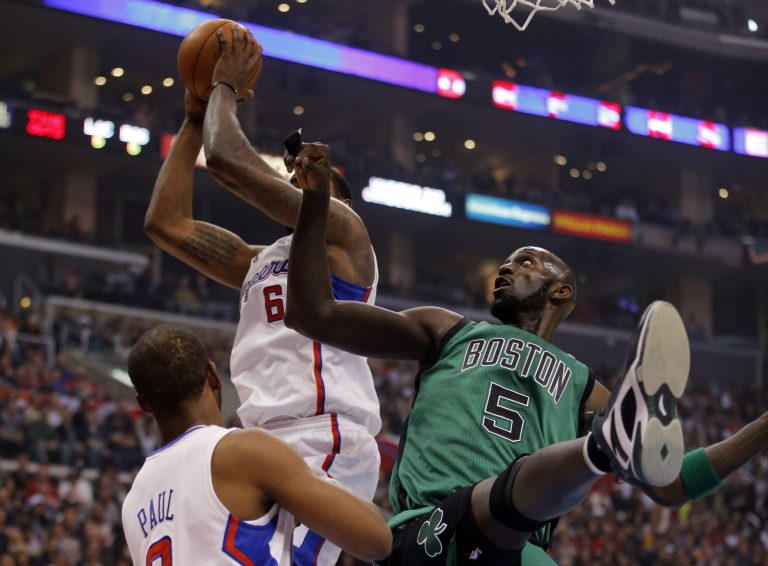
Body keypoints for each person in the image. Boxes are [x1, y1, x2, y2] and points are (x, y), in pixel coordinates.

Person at [283, 143, 768, 564]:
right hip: (431, 530)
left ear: (561, 293)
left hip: (518, 550)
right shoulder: (447, 329)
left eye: (528, 262)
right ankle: (601, 449)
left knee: (518, 530)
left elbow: (671, 483)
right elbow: (315, 315)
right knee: (499, 504)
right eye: (508, 262)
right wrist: (314, 203)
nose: (506, 269)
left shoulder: (582, 386)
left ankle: (605, 446)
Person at [143, 28, 381, 565]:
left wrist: (223, 88)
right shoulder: (259, 259)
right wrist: (190, 120)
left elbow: (226, 159)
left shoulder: (344, 237)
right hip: (256, 441)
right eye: (295, 173)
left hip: (323, 436)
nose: (298, 177)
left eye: (313, 177)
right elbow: (166, 223)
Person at [121, 325, 391, 565]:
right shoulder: (238, 452)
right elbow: (375, 539)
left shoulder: (132, 502)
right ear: (214, 376)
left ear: (143, 404)